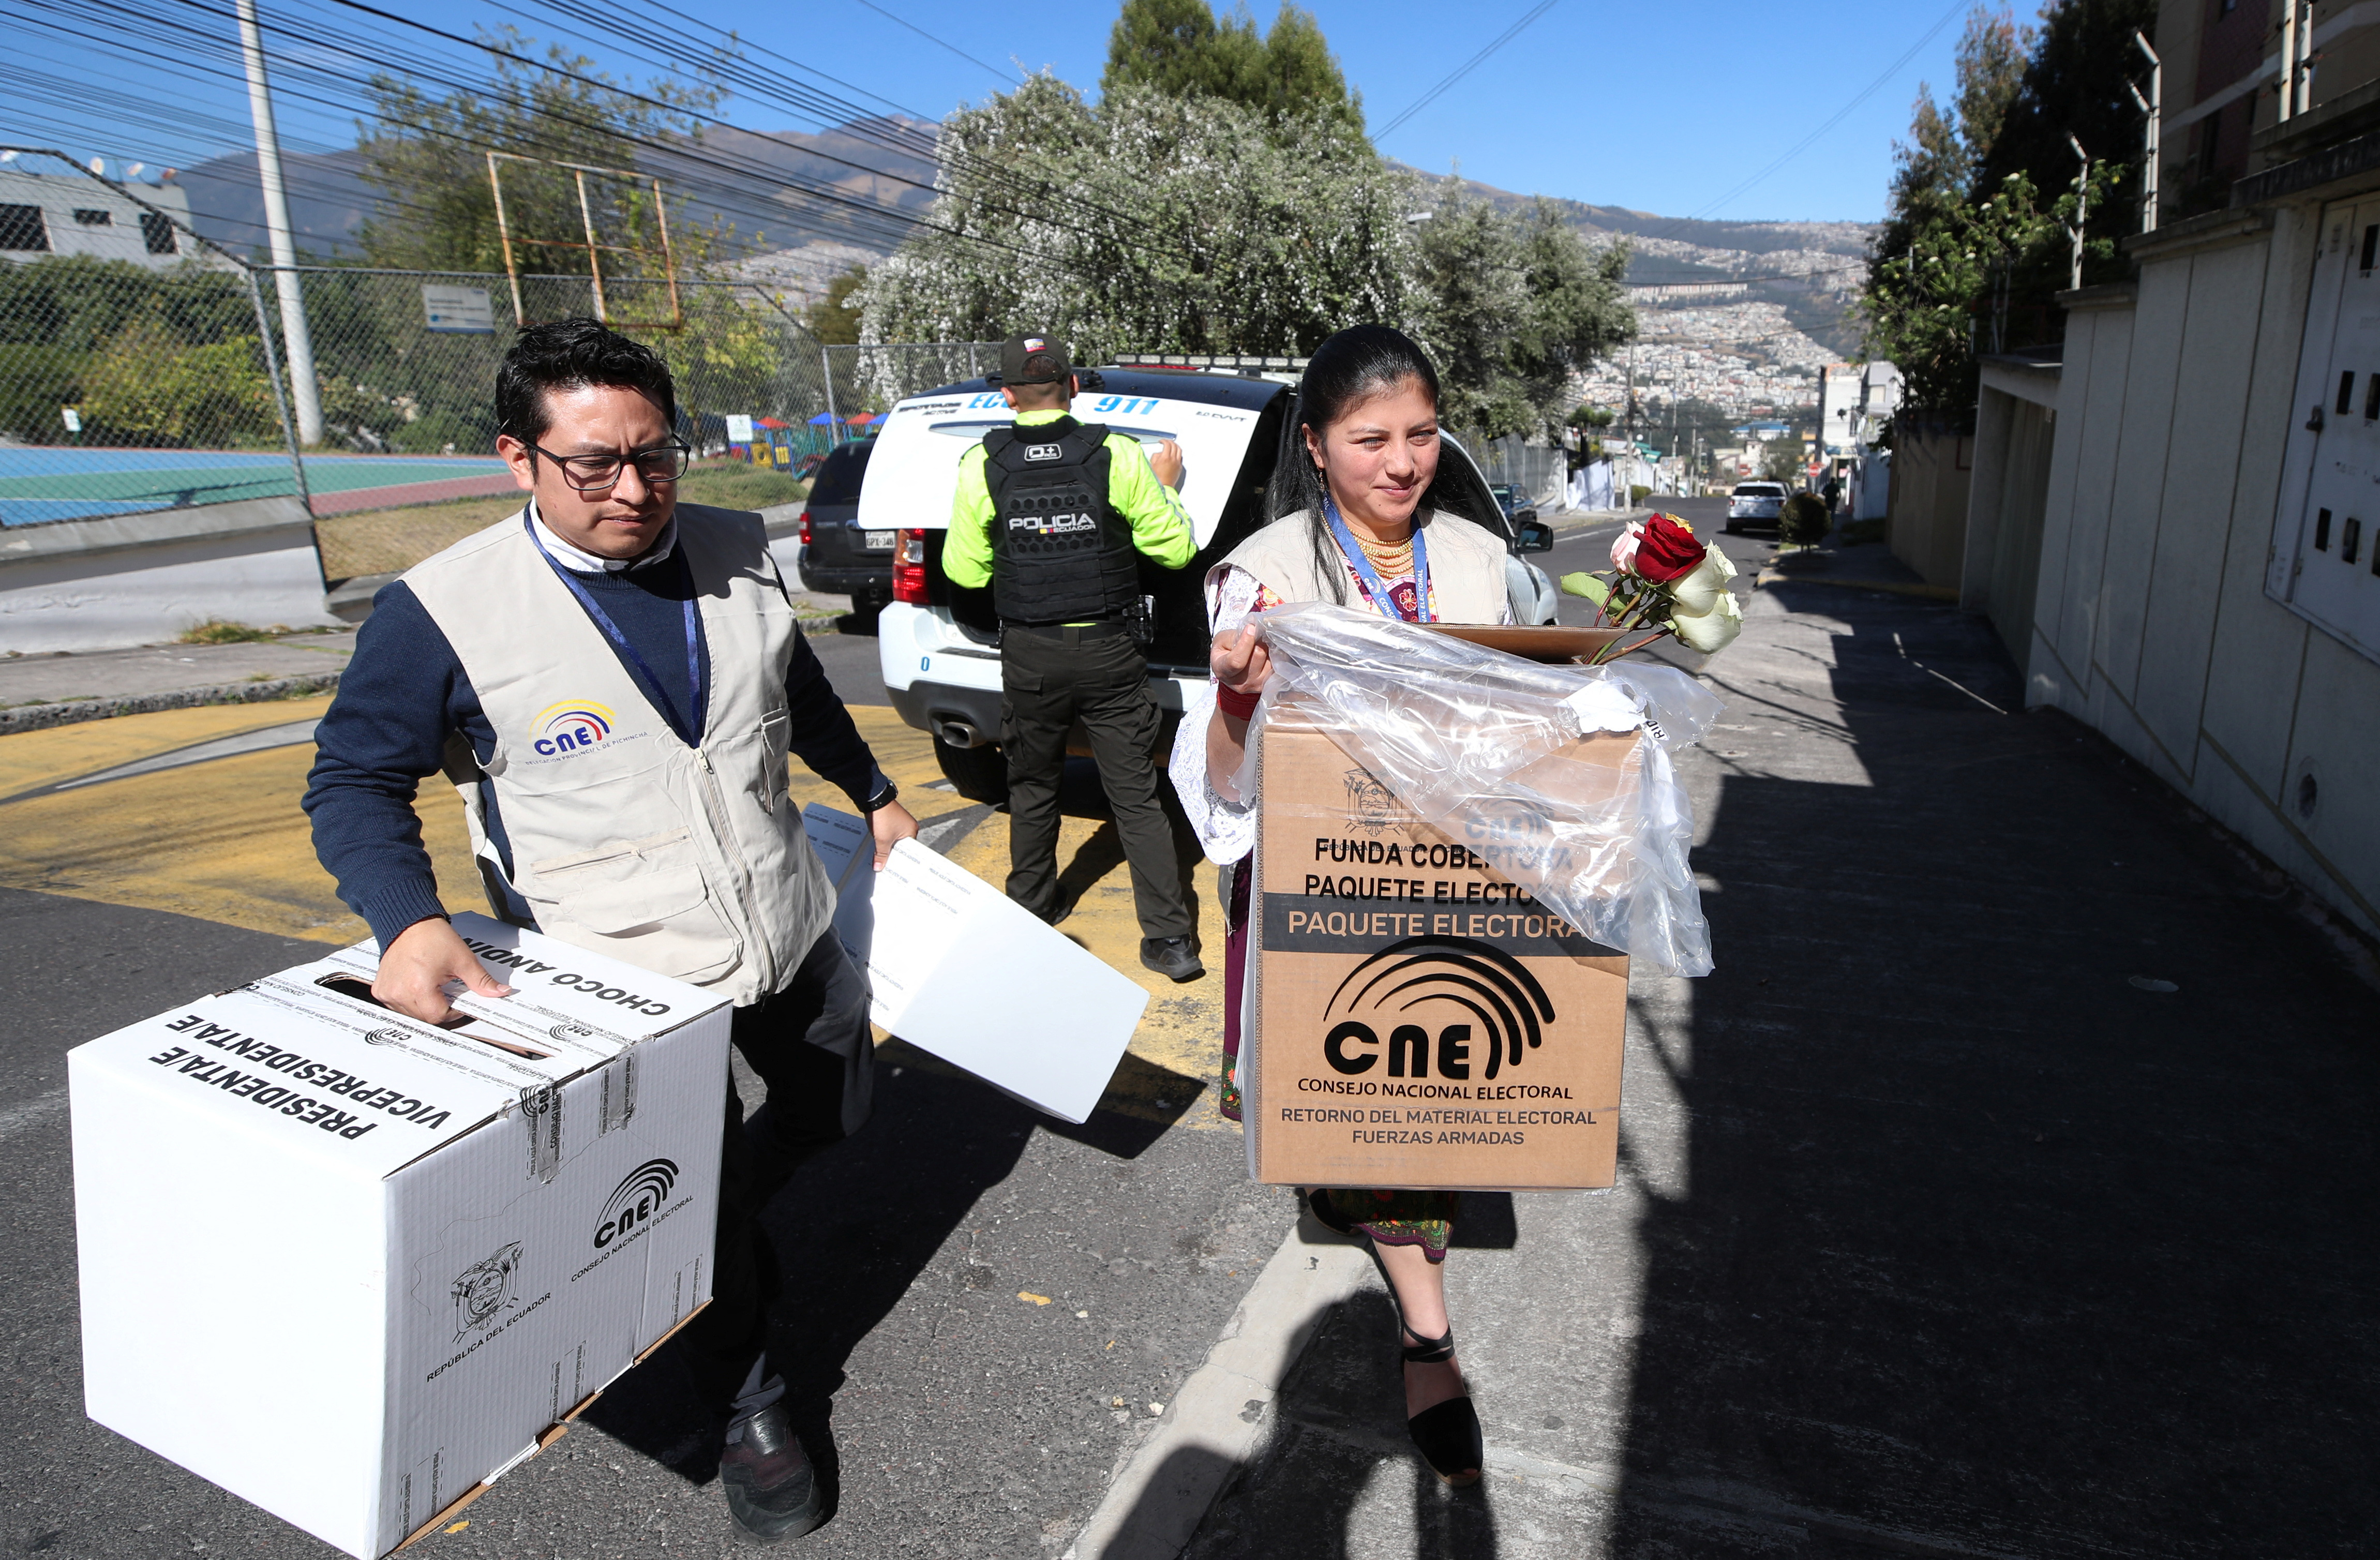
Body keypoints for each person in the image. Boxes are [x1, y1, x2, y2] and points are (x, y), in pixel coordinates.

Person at [304, 320, 916, 1543]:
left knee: (831, 1107)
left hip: (789, 927)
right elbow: (351, 780)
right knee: (699, 1201)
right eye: (594, 462)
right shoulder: (443, 612)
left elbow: (790, 690)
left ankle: (721, 1212)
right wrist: (409, 919)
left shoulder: (740, 553)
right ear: (516, 458)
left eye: (656, 454)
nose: (633, 490)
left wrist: (873, 789)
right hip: (628, 989)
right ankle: (752, 1398)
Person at [1167, 324, 1507, 1483]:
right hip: (1327, 888)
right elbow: (1223, 788)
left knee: (1433, 1070)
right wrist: (1230, 702)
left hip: (1452, 875)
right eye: (1369, 439)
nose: (1401, 462)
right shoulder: (1259, 575)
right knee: (1378, 1098)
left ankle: (1400, 1269)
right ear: (1314, 446)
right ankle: (1427, 1332)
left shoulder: (1473, 555)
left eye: (1419, 435)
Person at [942, 332, 1203, 981]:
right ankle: (1171, 941)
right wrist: (1168, 486)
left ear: (1005, 395)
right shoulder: (1116, 453)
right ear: (1073, 388)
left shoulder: (982, 463)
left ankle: (1032, 908)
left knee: (1031, 785)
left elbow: (964, 573)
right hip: (1111, 651)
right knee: (1136, 795)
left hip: (1030, 653)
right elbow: (1175, 552)